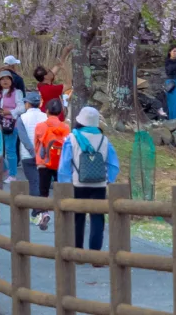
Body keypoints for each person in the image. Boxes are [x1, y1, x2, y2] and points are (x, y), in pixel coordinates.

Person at [58, 106, 121, 255]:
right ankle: (95, 254)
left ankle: (78, 250)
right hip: (98, 184)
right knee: (97, 218)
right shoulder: (104, 140)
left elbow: (64, 165)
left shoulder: (72, 138)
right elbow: (113, 164)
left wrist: (64, 184)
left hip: (77, 183)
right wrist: (108, 179)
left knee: (77, 218)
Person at [33, 99, 70, 231]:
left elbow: (36, 146)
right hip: (60, 163)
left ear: (47, 111)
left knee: (43, 191)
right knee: (61, 190)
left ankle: (44, 214)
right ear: (60, 112)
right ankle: (63, 216)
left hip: (44, 163)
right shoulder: (65, 127)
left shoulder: (40, 126)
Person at [0, 71, 24, 183]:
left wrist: (10, 111)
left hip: (10, 124)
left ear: (12, 81)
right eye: (2, 79)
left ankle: (12, 175)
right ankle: (5, 169)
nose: (5, 81)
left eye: (7, 78)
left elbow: (22, 108)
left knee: (10, 150)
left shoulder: (17, 92)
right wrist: (0, 69)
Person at [17, 91, 46, 218]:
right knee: (41, 182)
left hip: (27, 156)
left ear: (27, 103)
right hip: (44, 155)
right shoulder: (45, 117)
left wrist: (32, 151)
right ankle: (43, 209)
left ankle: (37, 211)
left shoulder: (22, 118)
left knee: (33, 182)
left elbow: (23, 138)